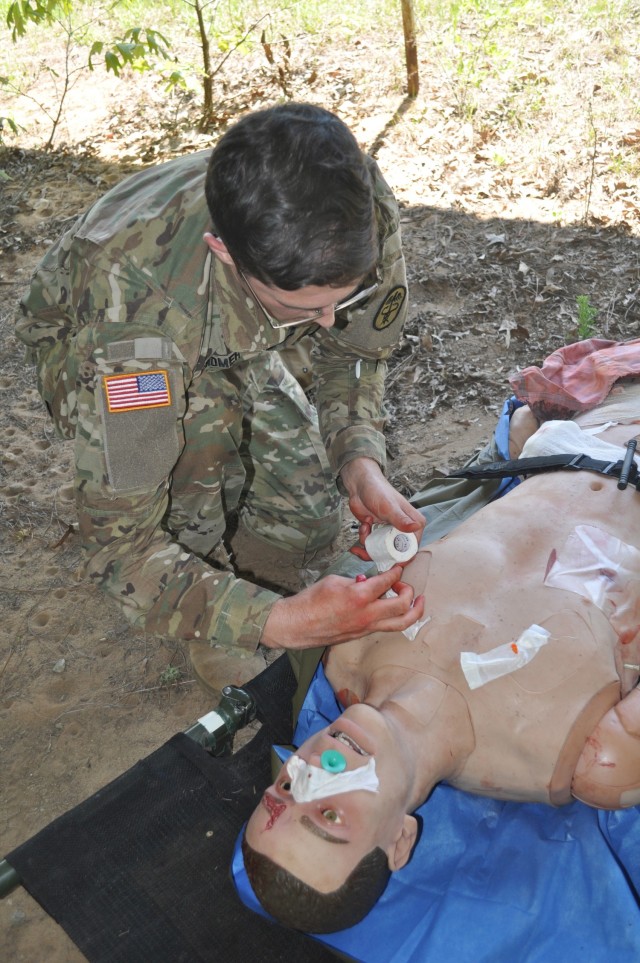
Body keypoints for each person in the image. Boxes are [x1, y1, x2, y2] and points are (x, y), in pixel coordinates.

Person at [14, 102, 425, 692]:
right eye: (307, 309)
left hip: (231, 333)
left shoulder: (350, 207)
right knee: (200, 440)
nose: (329, 322)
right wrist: (276, 620)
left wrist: (358, 459)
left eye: (345, 297)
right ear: (225, 250)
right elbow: (120, 547)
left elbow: (356, 351)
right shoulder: (137, 323)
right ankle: (203, 626)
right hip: (104, 347)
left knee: (305, 524)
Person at [241, 340, 640, 934]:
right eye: (327, 813)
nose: (315, 768)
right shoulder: (584, 757)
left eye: (284, 788)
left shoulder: (352, 645)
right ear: (399, 842)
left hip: (601, 417)